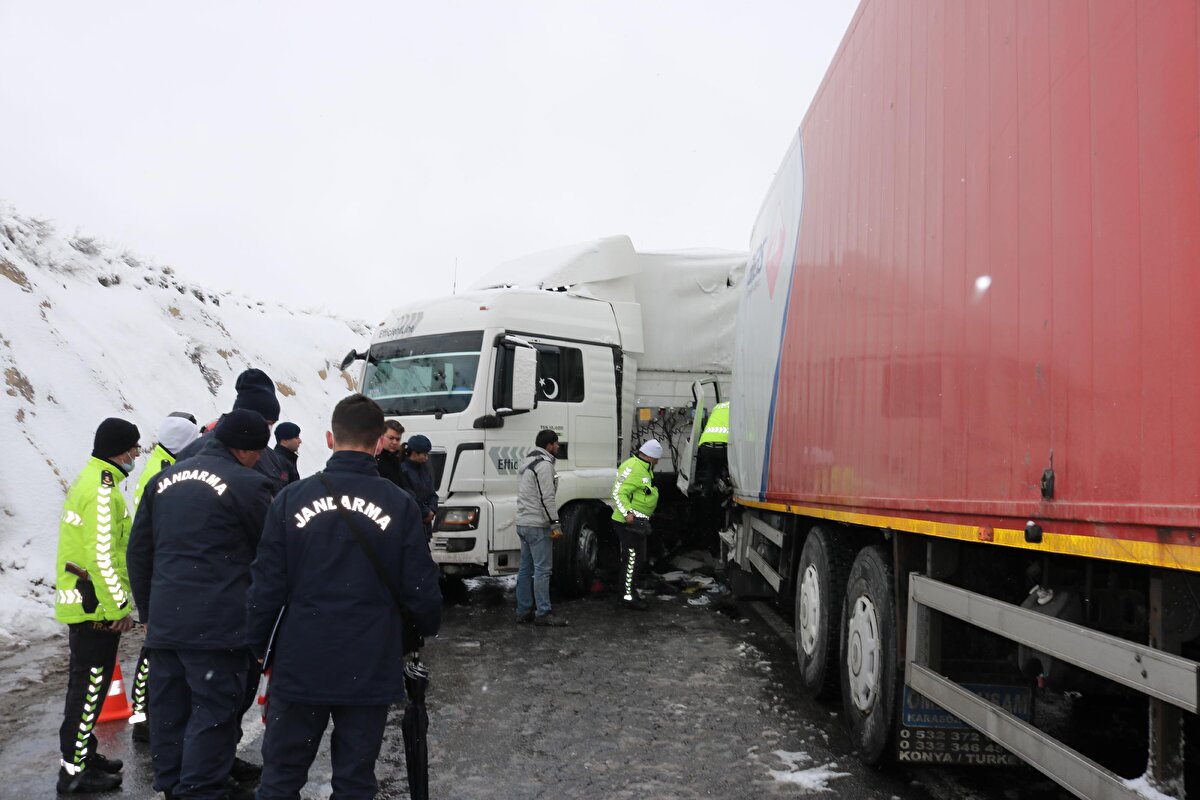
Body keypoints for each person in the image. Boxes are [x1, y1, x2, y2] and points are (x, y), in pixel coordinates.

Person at [247, 394, 442, 799]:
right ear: (377, 443)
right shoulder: (399, 504)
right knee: (355, 779)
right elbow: (421, 589)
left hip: (302, 658)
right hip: (368, 658)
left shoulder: (291, 499)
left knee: (281, 776)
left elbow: (266, 585)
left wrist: (258, 646)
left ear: (330, 438)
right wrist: (421, 628)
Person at [127, 410, 274, 800]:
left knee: (169, 713)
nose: (260, 458)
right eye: (258, 451)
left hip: (166, 625)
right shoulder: (249, 485)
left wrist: (148, 613)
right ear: (244, 449)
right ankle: (199, 790)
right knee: (215, 714)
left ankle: (173, 785)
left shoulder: (162, 481)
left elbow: (139, 552)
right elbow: (272, 558)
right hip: (219, 629)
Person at [54, 418, 140, 794]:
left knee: (89, 686)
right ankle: (73, 774)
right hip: (95, 608)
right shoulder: (102, 490)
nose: (138, 453)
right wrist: (118, 607)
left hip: (91, 604)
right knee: (90, 689)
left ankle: (83, 755)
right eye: (134, 447)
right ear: (119, 450)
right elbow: (101, 557)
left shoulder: (95, 479)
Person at [128, 412, 200, 743]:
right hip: (162, 571)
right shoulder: (164, 471)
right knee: (152, 650)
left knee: (158, 649)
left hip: (162, 570)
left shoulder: (163, 463)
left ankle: (150, 712)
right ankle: (143, 714)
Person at [176, 368, 292, 494]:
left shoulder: (271, 458)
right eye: (266, 423)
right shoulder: (196, 451)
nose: (267, 431)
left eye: (272, 425)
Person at [515, 430, 567, 626]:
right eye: (556, 443)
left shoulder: (526, 463)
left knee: (525, 569)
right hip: (537, 524)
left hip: (523, 522)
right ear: (549, 445)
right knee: (543, 570)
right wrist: (555, 522)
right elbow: (547, 497)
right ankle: (543, 612)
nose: (558, 447)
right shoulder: (544, 465)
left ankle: (523, 610)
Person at [611, 439, 662, 611]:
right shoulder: (634, 467)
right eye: (656, 459)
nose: (657, 462)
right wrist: (627, 514)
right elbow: (618, 492)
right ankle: (627, 597)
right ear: (651, 457)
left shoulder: (644, 468)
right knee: (632, 560)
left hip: (637, 524)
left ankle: (628, 593)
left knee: (636, 560)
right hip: (627, 524)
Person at [401, 434, 438, 538]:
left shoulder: (424, 469)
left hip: (425, 525)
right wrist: (425, 512)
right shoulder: (404, 471)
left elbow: (432, 493)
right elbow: (410, 496)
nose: (427, 458)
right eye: (424, 454)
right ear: (414, 453)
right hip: (413, 523)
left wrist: (432, 510)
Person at [694, 401, 731, 495]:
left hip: (705, 444)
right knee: (731, 469)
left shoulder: (718, 406)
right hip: (723, 445)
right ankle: (729, 492)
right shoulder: (739, 408)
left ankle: (706, 493)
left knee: (711, 468)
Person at [375, 419, 409, 491]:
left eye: (398, 439)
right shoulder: (375, 461)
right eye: (391, 438)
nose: (394, 442)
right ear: (381, 437)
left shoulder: (399, 458)